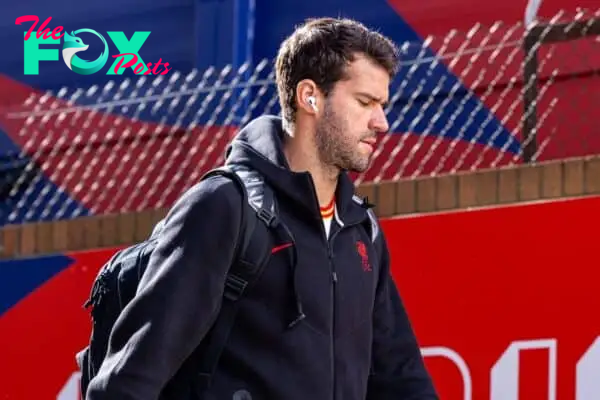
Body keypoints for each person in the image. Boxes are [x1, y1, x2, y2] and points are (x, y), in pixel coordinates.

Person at [85, 16, 438, 400]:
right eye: (365, 102)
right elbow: (131, 377)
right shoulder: (225, 206)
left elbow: (399, 375)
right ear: (310, 97)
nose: (382, 122)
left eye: (382, 104)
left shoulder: (359, 228)